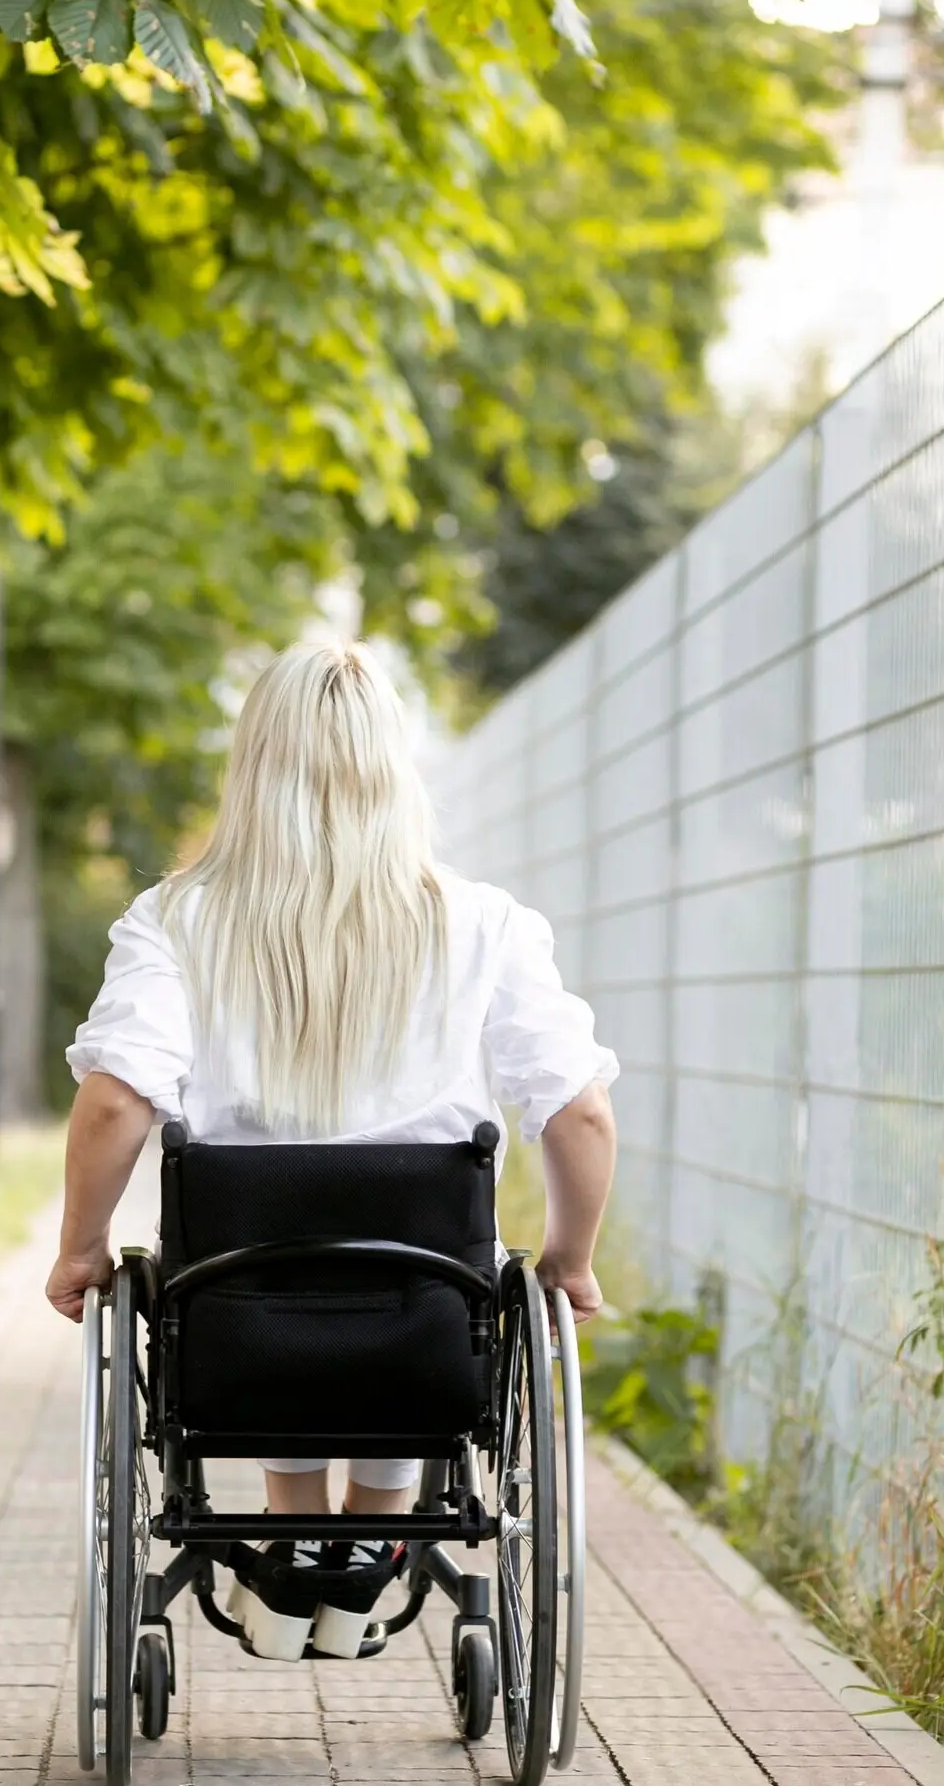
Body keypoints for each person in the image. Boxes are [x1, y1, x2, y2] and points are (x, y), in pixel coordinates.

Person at [45, 638, 617, 1652]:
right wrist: (570, 1257)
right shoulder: (485, 926)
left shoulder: (176, 921)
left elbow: (113, 1101)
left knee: (272, 1261)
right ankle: (367, 1543)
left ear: (253, 767)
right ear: (395, 769)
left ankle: (303, 1544)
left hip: (236, 1328)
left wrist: (80, 1246)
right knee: (423, 1273)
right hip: (423, 1329)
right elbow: (578, 1113)